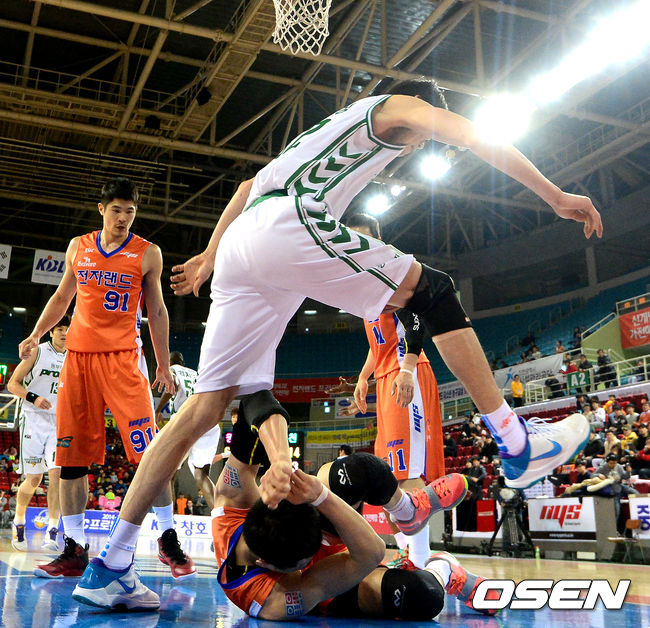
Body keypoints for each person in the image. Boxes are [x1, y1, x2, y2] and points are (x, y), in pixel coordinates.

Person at [86, 78, 599, 604]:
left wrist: (211, 256)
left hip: (243, 242)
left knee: (203, 409)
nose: (420, 144)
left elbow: (244, 189)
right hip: (289, 224)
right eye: (423, 134)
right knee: (435, 291)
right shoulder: (399, 105)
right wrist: (556, 196)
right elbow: (472, 135)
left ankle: (112, 564)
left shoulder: (321, 133)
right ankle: (516, 444)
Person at [74, 392, 484, 617]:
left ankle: (407, 512)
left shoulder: (233, 505)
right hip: (335, 581)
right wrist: (322, 497)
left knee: (357, 470)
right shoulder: (271, 599)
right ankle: (442, 568)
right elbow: (370, 552)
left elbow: (255, 400)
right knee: (421, 595)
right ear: (275, 567)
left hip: (310, 529)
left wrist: (283, 462)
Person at [16, 177, 190, 580]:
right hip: (77, 361)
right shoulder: (78, 246)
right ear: (102, 209)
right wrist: (37, 334)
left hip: (123, 359)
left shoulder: (148, 253)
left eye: (130, 211)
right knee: (70, 458)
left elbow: (157, 311)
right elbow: (63, 297)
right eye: (116, 210)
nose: (123, 218)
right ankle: (74, 548)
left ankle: (167, 537)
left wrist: (162, 364)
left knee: (150, 451)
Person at [338, 212, 445, 568]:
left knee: (407, 471)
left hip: (406, 373)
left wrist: (408, 370)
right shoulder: (363, 285)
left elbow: (415, 323)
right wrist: (363, 378)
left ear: (378, 241)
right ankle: (406, 553)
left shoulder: (393, 272)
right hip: (386, 377)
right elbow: (378, 343)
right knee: (385, 475)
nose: (358, 244)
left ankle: (421, 561)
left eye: (364, 237)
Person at [7, 315, 69, 552]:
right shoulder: (37, 351)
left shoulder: (74, 356)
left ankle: (52, 532)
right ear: (51, 332)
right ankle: (19, 519)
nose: (64, 333)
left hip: (59, 422)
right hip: (33, 418)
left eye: (67, 329)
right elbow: (13, 384)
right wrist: (34, 397)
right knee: (34, 480)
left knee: (56, 475)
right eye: (59, 329)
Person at [155, 351, 220, 512]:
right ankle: (220, 517)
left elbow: (173, 385)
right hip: (207, 422)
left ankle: (168, 520)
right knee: (201, 475)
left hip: (185, 420)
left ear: (170, 363)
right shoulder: (196, 374)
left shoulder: (172, 370)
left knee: (168, 474)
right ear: (183, 362)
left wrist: (157, 410)